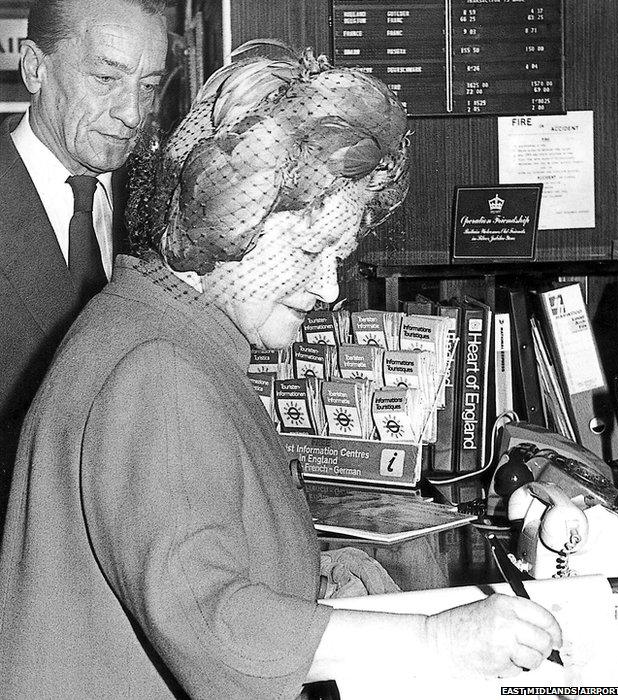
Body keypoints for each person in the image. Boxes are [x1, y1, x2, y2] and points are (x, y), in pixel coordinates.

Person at [0, 42, 562, 699]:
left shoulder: (168, 331)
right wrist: (442, 640)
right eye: (309, 248)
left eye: (341, 253)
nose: (328, 286)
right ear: (228, 214)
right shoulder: (158, 372)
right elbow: (217, 627)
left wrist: (331, 586)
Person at [0, 0, 168, 535]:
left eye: (148, 87)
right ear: (34, 69)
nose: (133, 114)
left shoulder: (154, 209)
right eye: (106, 78)